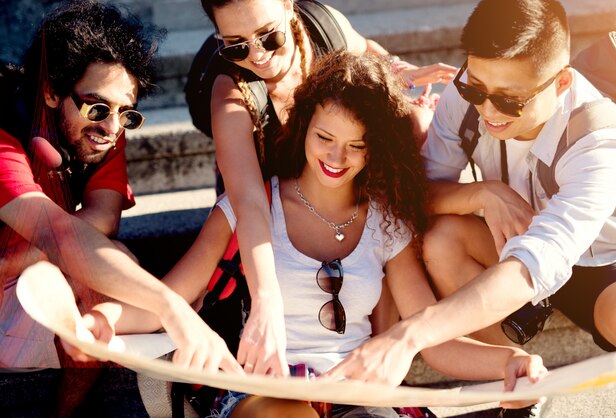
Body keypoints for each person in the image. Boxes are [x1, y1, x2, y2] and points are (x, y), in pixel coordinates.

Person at [85, 51, 546, 417]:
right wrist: (100, 318)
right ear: (303, 126)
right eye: (325, 137)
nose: (337, 157)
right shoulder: (252, 207)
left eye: (356, 145)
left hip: (357, 396)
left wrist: (508, 363)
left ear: (375, 149)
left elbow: (433, 339)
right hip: (265, 390)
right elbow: (170, 296)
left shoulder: (386, 221)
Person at [327, 0, 616, 415]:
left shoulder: (600, 141)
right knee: (441, 237)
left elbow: (534, 265)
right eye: (475, 89)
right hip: (513, 241)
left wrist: (406, 337)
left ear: (561, 84)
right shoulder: (467, 92)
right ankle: (519, 386)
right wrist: (482, 192)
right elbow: (416, 196)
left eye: (509, 100)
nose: (486, 109)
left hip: (607, 264)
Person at [194, 0, 457, 378]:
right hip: (265, 187)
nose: (258, 55)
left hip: (341, 195)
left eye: (270, 36)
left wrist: (400, 71)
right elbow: (249, 202)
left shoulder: (325, 26)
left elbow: (366, 51)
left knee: (412, 120)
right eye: (236, 44)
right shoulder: (231, 90)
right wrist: (266, 301)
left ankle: (374, 344)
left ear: (290, 6)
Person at [0, 0, 242, 375]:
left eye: (125, 113)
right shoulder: (5, 132)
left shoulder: (103, 129)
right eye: (96, 108)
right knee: (77, 273)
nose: (113, 128)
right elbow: (62, 233)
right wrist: (169, 305)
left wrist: (23, 256)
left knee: (113, 262)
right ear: (50, 91)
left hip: (12, 266)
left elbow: (104, 218)